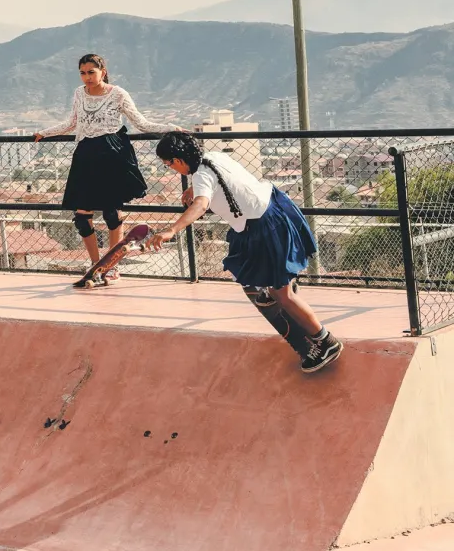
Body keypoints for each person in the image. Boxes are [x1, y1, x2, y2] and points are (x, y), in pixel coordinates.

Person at [145, 131, 342, 373]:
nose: (171, 169)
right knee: (247, 261)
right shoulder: (213, 157)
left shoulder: (201, 176)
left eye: (169, 164)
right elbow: (223, 183)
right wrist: (195, 191)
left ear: (178, 159)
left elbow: (201, 204)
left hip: (264, 225)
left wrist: (172, 229)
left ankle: (325, 342)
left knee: (284, 295)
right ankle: (274, 285)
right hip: (274, 207)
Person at [34, 53, 180, 275]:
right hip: (85, 155)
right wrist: (44, 133)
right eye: (82, 73)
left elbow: (141, 123)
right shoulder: (78, 94)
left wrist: (172, 128)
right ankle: (96, 265)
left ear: (103, 71)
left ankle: (112, 266)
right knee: (82, 216)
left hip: (112, 155)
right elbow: (72, 122)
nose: (87, 77)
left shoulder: (118, 94)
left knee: (112, 213)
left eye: (91, 72)